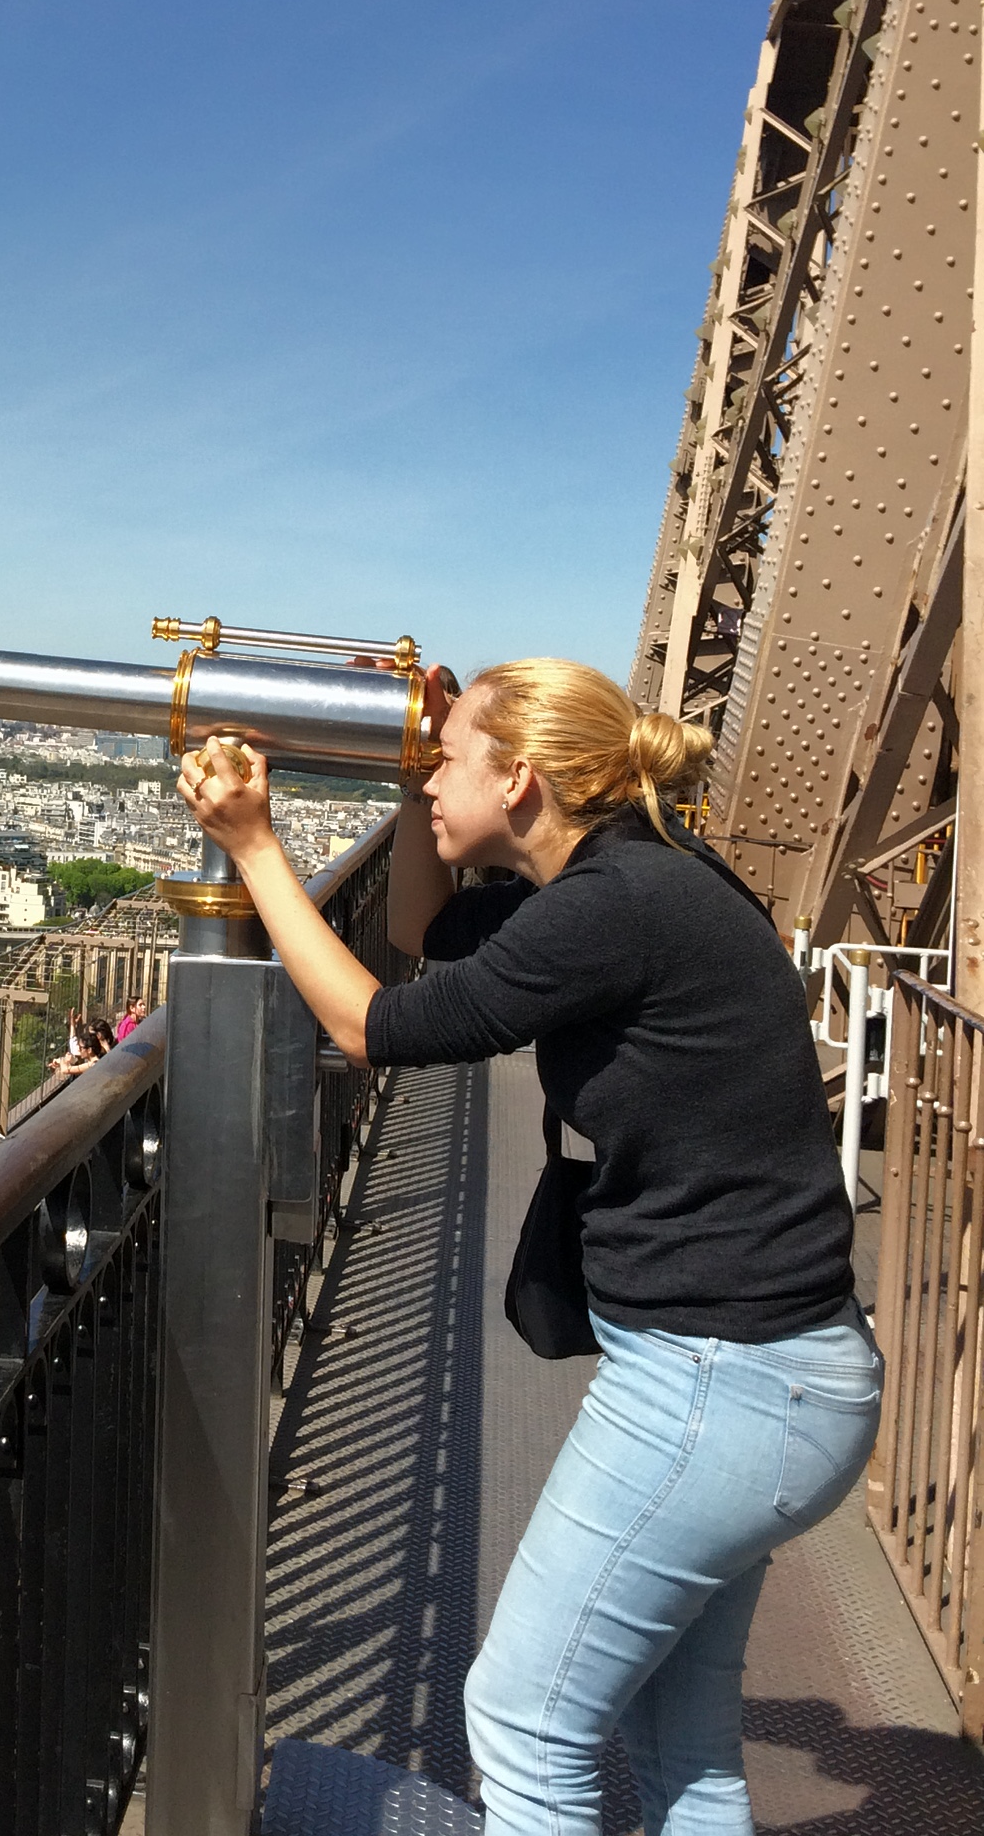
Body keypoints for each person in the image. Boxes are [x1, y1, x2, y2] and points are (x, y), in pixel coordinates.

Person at [180, 658, 873, 1836]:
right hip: (786, 1375)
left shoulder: (611, 907)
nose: (435, 776)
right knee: (679, 1750)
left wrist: (254, 848)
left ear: (525, 779)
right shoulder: (636, 876)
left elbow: (370, 1020)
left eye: (449, 759)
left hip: (718, 1384)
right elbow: (421, 928)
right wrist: (408, 768)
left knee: (522, 1725)